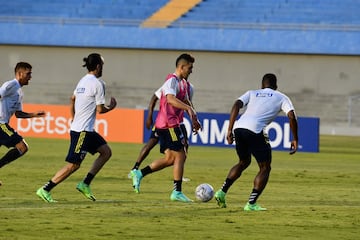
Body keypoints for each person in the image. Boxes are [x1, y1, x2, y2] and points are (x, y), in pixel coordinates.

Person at [36, 53, 117, 202]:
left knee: (106, 152)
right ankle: (45, 189)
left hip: (85, 129)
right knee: (74, 164)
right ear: (98, 66)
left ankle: (85, 184)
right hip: (82, 132)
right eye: (102, 65)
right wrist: (111, 107)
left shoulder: (82, 81)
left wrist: (73, 116)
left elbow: (72, 98)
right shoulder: (98, 84)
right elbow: (100, 110)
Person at [214, 73, 298, 211]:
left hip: (239, 128)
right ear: (275, 86)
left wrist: (229, 129)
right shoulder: (281, 97)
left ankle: (221, 192)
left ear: (262, 85)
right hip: (255, 129)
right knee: (265, 167)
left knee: (243, 162)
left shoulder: (252, 93)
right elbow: (291, 116)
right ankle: (251, 204)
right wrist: (295, 138)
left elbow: (236, 104)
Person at [130, 53, 201, 203]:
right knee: (181, 155)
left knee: (170, 159)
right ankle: (177, 192)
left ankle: (140, 173)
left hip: (173, 124)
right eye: (190, 67)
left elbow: (187, 100)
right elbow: (169, 99)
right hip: (168, 124)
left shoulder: (184, 83)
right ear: (182, 67)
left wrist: (194, 117)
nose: (192, 70)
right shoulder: (171, 80)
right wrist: (188, 109)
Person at [129, 76, 197, 179]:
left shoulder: (189, 87)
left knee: (183, 148)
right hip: (164, 123)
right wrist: (149, 115)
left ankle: (178, 173)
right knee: (151, 144)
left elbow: (188, 104)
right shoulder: (170, 83)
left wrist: (194, 119)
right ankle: (135, 169)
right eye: (189, 68)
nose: (190, 71)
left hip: (178, 123)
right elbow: (155, 97)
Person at [0, 62, 46, 186]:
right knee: (22, 147)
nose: (30, 77)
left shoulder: (20, 92)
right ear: (20, 74)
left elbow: (18, 114)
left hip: (3, 124)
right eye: (28, 74)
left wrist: (33, 115)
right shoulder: (10, 85)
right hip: (1, 124)